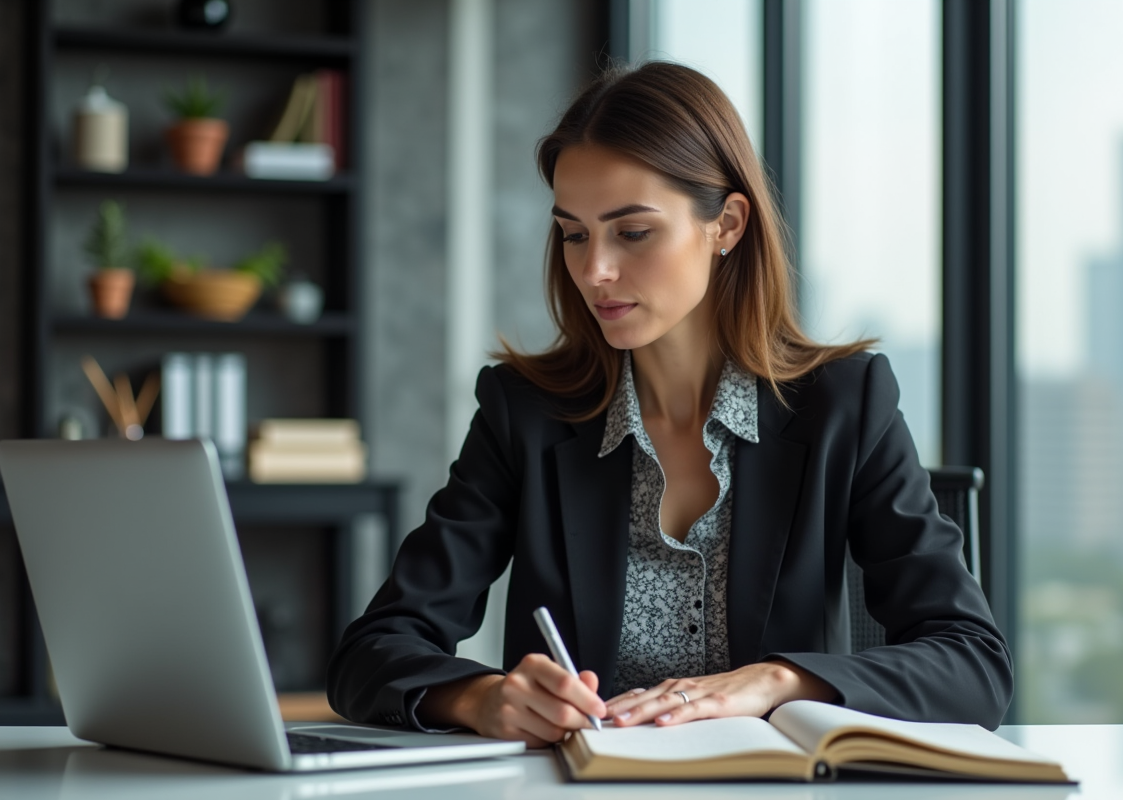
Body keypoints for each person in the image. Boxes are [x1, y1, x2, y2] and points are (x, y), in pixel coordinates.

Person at [328, 62, 1012, 748]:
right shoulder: (525, 414)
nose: (594, 270)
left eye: (633, 232)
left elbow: (974, 665)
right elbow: (372, 652)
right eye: (573, 233)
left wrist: (777, 681)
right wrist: (481, 699)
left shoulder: (845, 406)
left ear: (728, 224)